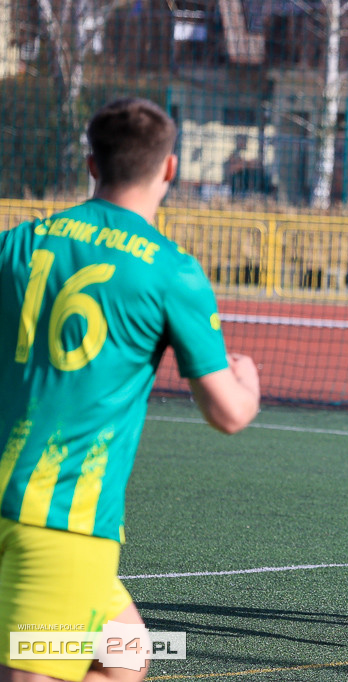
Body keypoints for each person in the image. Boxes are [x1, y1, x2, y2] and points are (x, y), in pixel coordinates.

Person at [0, 98, 261, 682]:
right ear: (170, 169)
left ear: (91, 164)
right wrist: (248, 380)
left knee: (127, 657)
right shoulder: (170, 270)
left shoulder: (15, 245)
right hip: (61, 517)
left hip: (27, 505)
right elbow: (228, 414)